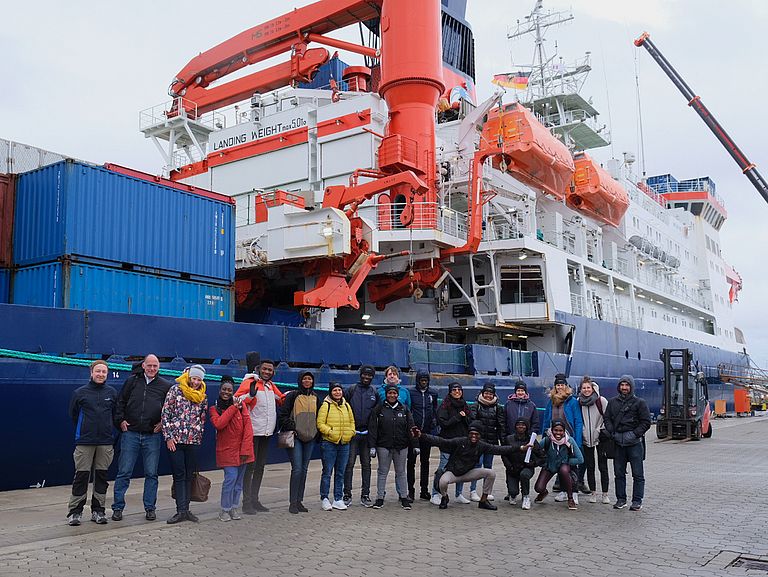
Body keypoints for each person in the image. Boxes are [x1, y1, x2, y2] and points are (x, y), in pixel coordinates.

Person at [111, 354, 172, 521]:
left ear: (159, 367)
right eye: (149, 365)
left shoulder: (165, 385)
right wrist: (120, 421)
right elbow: (120, 402)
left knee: (151, 473)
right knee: (124, 472)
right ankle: (118, 507)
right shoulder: (132, 381)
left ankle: (150, 508)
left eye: (155, 366)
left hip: (151, 435)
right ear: (143, 366)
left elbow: (171, 408)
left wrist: (163, 423)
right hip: (130, 433)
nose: (152, 369)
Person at [417, 422, 517, 510]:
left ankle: (483, 501)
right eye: (471, 433)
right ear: (468, 434)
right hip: (453, 473)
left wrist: (519, 448)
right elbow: (441, 441)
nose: (473, 436)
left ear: (480, 436)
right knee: (442, 482)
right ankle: (444, 497)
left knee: (491, 473)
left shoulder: (482, 445)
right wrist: (422, 435)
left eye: (476, 434)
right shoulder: (460, 441)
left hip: (469, 473)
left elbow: (499, 449)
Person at [67, 360, 117, 526]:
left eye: (103, 372)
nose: (100, 374)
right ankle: (75, 512)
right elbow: (73, 414)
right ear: (91, 372)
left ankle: (99, 510)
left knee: (101, 477)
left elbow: (115, 414)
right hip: (85, 441)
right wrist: (85, 430)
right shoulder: (80, 393)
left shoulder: (112, 393)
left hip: (105, 441)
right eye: (98, 371)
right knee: (81, 476)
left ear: (107, 374)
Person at [235, 359, 285, 514]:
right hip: (253, 432)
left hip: (266, 433)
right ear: (259, 369)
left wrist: (293, 395)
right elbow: (236, 400)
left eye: (270, 370)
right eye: (265, 369)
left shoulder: (271, 386)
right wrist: (250, 395)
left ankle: (255, 500)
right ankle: (246, 502)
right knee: (250, 467)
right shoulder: (250, 382)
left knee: (260, 467)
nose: (267, 372)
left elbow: (281, 399)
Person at [161, 365, 208, 524]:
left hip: (193, 441)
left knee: (189, 475)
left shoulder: (202, 396)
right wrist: (168, 437)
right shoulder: (175, 390)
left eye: (199, 380)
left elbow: (202, 419)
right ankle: (180, 510)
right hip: (176, 441)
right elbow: (166, 414)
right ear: (189, 377)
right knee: (179, 474)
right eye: (194, 378)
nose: (196, 382)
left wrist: (198, 436)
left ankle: (186, 509)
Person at [209, 376, 254, 522]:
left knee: (238, 483)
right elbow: (219, 424)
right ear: (219, 390)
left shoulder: (243, 407)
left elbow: (248, 428)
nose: (226, 392)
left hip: (242, 451)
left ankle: (234, 508)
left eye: (229, 390)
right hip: (227, 451)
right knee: (230, 479)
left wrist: (246, 450)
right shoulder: (214, 409)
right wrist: (233, 407)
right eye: (224, 389)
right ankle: (225, 509)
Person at [604, 374, 651, 511]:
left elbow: (646, 422)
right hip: (618, 443)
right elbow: (607, 419)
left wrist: (634, 434)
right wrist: (613, 432)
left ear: (631, 387)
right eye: (622, 385)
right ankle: (621, 499)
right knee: (619, 473)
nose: (624, 387)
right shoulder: (612, 402)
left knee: (638, 474)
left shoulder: (640, 403)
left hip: (635, 443)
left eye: (627, 385)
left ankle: (637, 500)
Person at [368, 383, 417, 510]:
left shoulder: (404, 409)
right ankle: (379, 498)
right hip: (383, 446)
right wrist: (372, 446)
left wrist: (415, 445)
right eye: (390, 393)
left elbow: (411, 427)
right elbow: (373, 428)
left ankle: (404, 498)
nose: (392, 395)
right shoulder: (379, 409)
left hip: (401, 446)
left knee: (401, 472)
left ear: (397, 395)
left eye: (394, 393)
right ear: (386, 394)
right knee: (382, 472)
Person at [279, 371, 320, 514]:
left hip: (310, 438)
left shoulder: (316, 397)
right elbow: (283, 415)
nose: (307, 381)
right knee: (297, 469)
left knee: (304, 470)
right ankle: (292, 502)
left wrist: (316, 433)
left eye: (310, 379)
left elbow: (319, 417)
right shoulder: (293, 396)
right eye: (305, 378)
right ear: (300, 380)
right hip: (296, 437)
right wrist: (293, 427)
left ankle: (299, 501)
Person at [541, 373, 583, 503]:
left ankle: (574, 492)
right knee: (560, 464)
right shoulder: (552, 401)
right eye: (558, 385)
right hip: (554, 438)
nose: (560, 387)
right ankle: (564, 491)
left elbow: (578, 421)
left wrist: (577, 440)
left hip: (569, 438)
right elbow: (546, 419)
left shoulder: (572, 401)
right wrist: (544, 436)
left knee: (572, 466)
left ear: (566, 386)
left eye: (562, 385)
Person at [343, 365, 379, 507]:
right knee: (349, 464)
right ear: (360, 375)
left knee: (366, 465)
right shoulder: (352, 390)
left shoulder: (374, 392)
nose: (367, 377)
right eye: (365, 374)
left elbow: (377, 413)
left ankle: (365, 495)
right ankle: (347, 494)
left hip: (367, 435)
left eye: (369, 375)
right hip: (352, 434)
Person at [317, 382, 356, 511]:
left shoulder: (347, 406)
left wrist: (350, 433)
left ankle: (338, 499)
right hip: (329, 443)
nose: (337, 392)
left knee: (340, 472)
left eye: (339, 390)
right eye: (335, 390)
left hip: (344, 443)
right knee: (327, 472)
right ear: (330, 392)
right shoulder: (326, 405)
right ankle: (325, 498)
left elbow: (352, 421)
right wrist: (331, 432)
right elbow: (320, 423)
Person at [431, 382, 471, 505]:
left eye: (459, 389)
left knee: (461, 468)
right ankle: (435, 494)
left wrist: (465, 418)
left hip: (462, 443)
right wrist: (458, 417)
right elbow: (444, 423)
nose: (457, 392)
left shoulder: (464, 405)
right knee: (442, 468)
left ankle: (459, 494)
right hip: (447, 443)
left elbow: (470, 422)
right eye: (454, 390)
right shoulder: (444, 406)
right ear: (450, 392)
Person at [533, 420, 584, 510]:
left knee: (564, 470)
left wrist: (567, 461)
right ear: (552, 430)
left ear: (564, 431)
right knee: (538, 488)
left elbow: (580, 459)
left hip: (563, 466)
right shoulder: (547, 440)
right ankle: (543, 492)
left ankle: (570, 498)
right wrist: (543, 461)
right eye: (555, 430)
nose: (558, 433)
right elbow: (536, 451)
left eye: (561, 431)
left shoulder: (569, 440)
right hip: (550, 466)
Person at [468, 382, 505, 502]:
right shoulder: (476, 406)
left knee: (488, 467)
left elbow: (501, 425)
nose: (488, 396)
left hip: (491, 442)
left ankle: (486, 492)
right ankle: (473, 491)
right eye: (486, 393)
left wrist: (503, 442)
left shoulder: (497, 408)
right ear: (482, 393)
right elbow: (472, 422)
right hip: (478, 442)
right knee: (477, 465)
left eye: (490, 394)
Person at [577, 377, 611, 504]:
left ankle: (605, 494)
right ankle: (593, 493)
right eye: (584, 388)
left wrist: (602, 430)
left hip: (600, 438)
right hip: (586, 438)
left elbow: (608, 417)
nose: (586, 390)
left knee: (603, 466)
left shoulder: (601, 401)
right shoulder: (579, 402)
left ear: (593, 388)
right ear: (581, 389)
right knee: (590, 466)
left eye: (588, 388)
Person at [408, 369, 438, 502]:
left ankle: (424, 490)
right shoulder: (411, 393)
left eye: (425, 380)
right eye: (421, 380)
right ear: (418, 380)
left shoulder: (433, 393)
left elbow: (435, 409)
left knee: (425, 462)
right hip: (413, 433)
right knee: (411, 462)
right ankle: (410, 491)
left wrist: (434, 423)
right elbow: (408, 410)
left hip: (426, 433)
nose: (423, 382)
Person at [500, 418, 543, 510]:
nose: (521, 427)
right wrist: (509, 466)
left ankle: (526, 496)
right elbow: (504, 454)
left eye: (523, 425)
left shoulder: (531, 440)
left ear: (527, 427)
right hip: (512, 468)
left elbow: (541, 456)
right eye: (519, 424)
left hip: (526, 467)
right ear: (515, 426)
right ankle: (512, 494)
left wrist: (533, 463)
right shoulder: (509, 439)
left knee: (524, 475)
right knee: (513, 491)